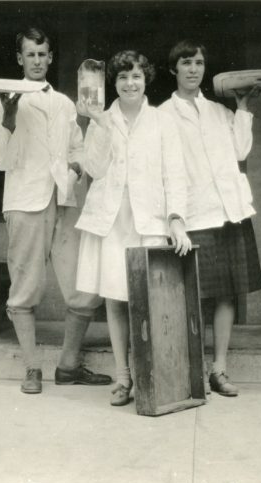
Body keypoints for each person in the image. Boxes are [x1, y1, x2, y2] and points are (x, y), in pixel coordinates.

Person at [0, 27, 112, 394]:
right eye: (30, 54)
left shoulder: (64, 104)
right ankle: (32, 368)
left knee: (84, 291)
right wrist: (9, 119)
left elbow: (77, 149)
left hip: (65, 200)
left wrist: (76, 168)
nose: (37, 61)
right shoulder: (4, 103)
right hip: (25, 202)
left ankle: (69, 365)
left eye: (42, 54)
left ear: (51, 57)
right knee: (25, 290)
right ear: (19, 58)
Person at [76, 50, 192, 406]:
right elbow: (94, 168)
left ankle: (150, 376)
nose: (130, 83)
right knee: (115, 298)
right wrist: (97, 123)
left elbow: (175, 174)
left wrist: (176, 219)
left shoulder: (162, 121)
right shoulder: (102, 117)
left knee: (150, 300)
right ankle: (123, 376)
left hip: (149, 220)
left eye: (137, 76)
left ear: (146, 80)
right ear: (114, 82)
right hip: (112, 220)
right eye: (124, 77)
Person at [159, 40, 261, 398]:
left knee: (226, 295)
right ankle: (192, 371)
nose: (193, 69)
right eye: (186, 62)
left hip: (229, 212)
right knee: (193, 297)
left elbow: (241, 150)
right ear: (173, 69)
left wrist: (242, 108)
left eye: (199, 62)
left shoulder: (220, 111)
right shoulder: (163, 115)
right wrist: (173, 218)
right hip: (193, 216)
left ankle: (219, 369)